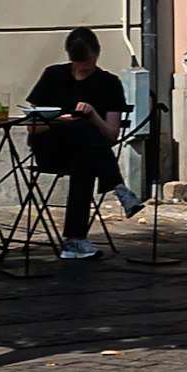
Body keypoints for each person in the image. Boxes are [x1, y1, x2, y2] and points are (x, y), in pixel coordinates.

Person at [27, 29, 133, 262]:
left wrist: (94, 115)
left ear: (97, 54)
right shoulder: (53, 76)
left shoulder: (108, 83)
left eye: (88, 62)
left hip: (88, 153)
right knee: (76, 126)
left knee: (85, 160)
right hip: (51, 148)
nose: (83, 68)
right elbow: (32, 126)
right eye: (78, 63)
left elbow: (112, 136)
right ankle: (118, 187)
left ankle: (74, 241)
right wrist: (59, 121)